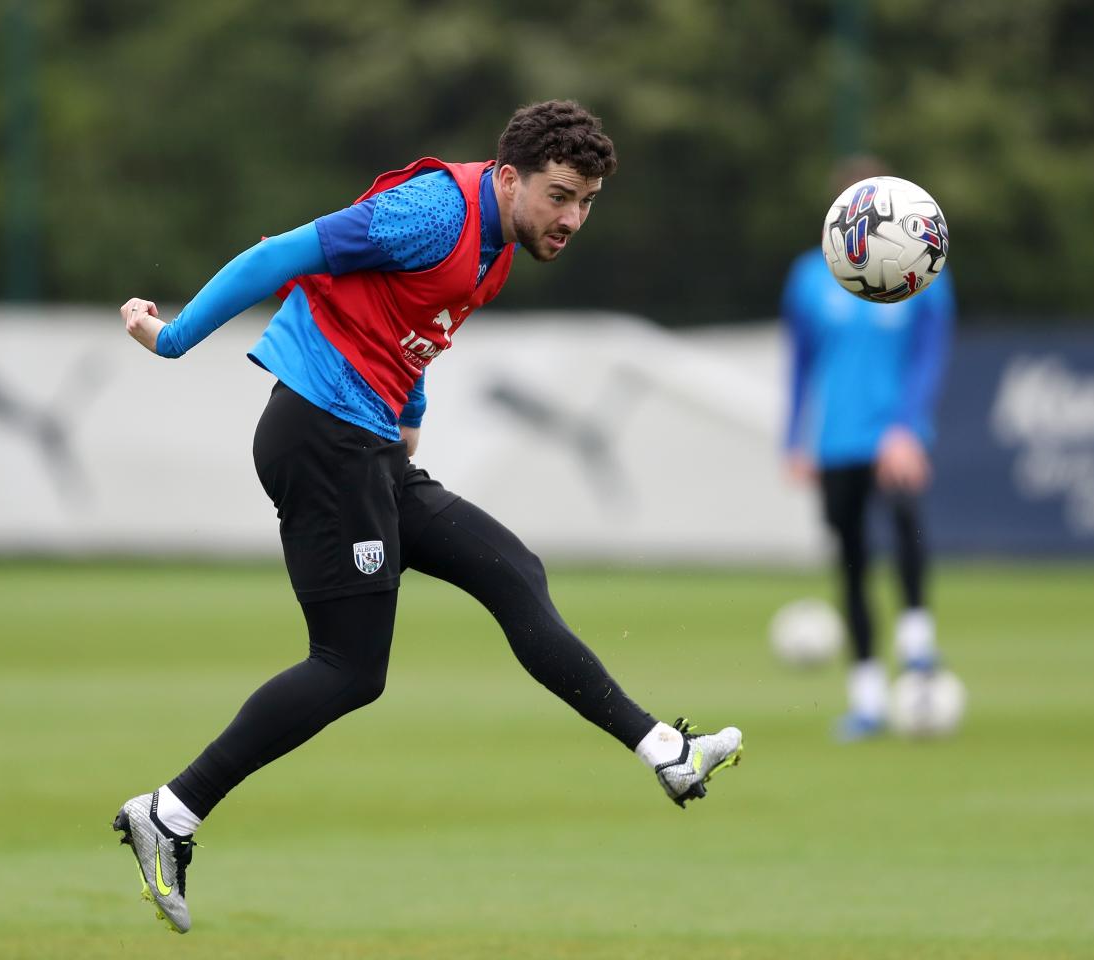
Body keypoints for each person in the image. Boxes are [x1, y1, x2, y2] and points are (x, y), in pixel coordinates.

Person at [111, 100, 744, 934]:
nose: (573, 219)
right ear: (511, 178)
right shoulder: (436, 209)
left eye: (587, 202)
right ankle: (169, 813)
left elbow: (409, 325)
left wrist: (409, 419)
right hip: (322, 440)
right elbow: (284, 254)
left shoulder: (496, 245)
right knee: (349, 667)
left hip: (368, 447)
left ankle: (664, 751)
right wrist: (175, 338)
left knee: (512, 570)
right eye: (560, 197)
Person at [780, 156, 957, 742]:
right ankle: (867, 699)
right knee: (851, 563)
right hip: (835, 441)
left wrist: (907, 426)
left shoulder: (922, 269)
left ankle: (917, 643)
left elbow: (930, 355)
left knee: (906, 522)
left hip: (895, 436)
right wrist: (794, 439)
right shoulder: (809, 277)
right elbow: (801, 364)